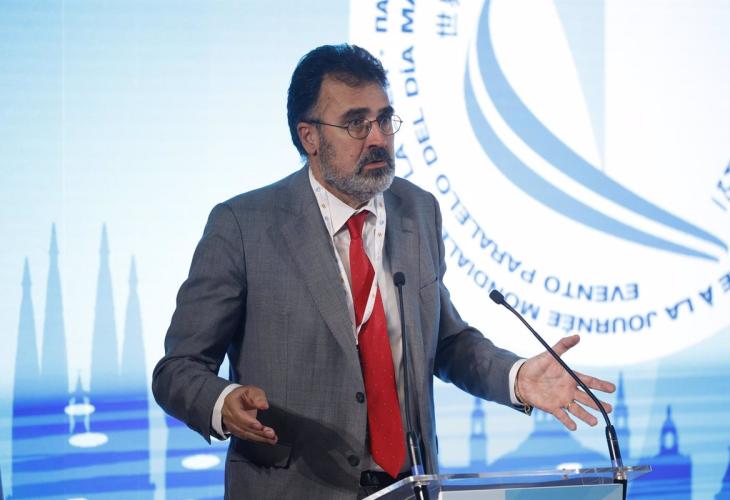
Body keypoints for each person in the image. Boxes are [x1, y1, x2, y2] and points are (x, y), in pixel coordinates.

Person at [152, 44, 615, 500]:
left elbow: (444, 341)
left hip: (410, 486)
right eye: (356, 123)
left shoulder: (418, 211)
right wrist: (221, 402)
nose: (377, 138)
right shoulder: (244, 225)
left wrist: (516, 378)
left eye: (384, 119)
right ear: (309, 136)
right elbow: (179, 369)